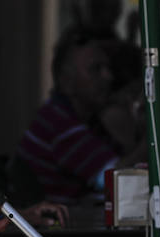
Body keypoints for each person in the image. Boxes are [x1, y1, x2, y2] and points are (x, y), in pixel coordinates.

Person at [15, 30, 148, 202]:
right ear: (66, 81)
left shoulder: (91, 119)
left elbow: (132, 168)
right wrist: (154, 137)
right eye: (95, 69)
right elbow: (117, 181)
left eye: (107, 68)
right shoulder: (57, 122)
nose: (108, 77)